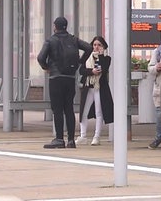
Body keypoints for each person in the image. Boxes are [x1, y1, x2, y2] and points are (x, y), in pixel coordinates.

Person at [37, 16, 92, 149]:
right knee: (69, 108)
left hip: (56, 78)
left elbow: (40, 57)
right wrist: (80, 62)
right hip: (70, 78)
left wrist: (46, 67)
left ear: (55, 26)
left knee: (57, 109)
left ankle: (59, 139)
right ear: (66, 26)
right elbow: (89, 48)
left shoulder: (50, 40)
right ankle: (71, 140)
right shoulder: (73, 40)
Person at [76, 36, 114, 146]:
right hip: (88, 86)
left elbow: (104, 68)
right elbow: (81, 70)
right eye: (94, 45)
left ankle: (97, 136)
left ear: (103, 47)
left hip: (99, 87)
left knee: (99, 111)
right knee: (84, 111)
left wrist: (100, 55)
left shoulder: (106, 58)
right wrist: (91, 71)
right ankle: (82, 136)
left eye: (99, 45)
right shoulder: (88, 56)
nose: (96, 47)